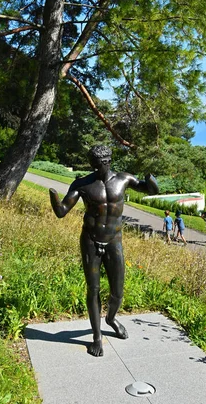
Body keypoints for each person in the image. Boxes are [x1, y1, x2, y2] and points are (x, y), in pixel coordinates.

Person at [49, 144, 159, 357]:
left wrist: (151, 179)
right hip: (90, 241)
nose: (102, 167)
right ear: (92, 164)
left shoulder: (124, 179)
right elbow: (62, 211)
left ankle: (110, 318)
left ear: (109, 160)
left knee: (118, 291)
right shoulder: (83, 184)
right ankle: (97, 336)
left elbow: (149, 190)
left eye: (105, 163)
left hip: (114, 240)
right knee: (94, 289)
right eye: (97, 165)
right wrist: (54, 197)